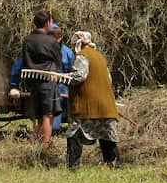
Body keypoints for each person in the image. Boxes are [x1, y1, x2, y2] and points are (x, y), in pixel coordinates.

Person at [65, 31, 121, 169]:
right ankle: (114, 165)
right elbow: (108, 79)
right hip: (106, 105)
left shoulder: (82, 56)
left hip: (87, 106)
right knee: (107, 137)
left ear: (78, 44)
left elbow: (80, 76)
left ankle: (73, 167)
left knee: (74, 134)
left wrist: (65, 78)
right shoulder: (99, 56)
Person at [21, 10, 63, 147]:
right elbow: (58, 62)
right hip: (48, 81)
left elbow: (26, 60)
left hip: (33, 81)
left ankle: (33, 145)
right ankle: (44, 147)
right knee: (48, 115)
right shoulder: (51, 41)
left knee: (40, 117)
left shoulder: (27, 40)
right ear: (48, 23)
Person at [49, 24, 75, 132]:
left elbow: (72, 71)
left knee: (71, 107)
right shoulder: (44, 50)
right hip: (50, 86)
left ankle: (73, 127)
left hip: (64, 85)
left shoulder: (67, 52)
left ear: (59, 38)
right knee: (54, 124)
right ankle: (54, 128)